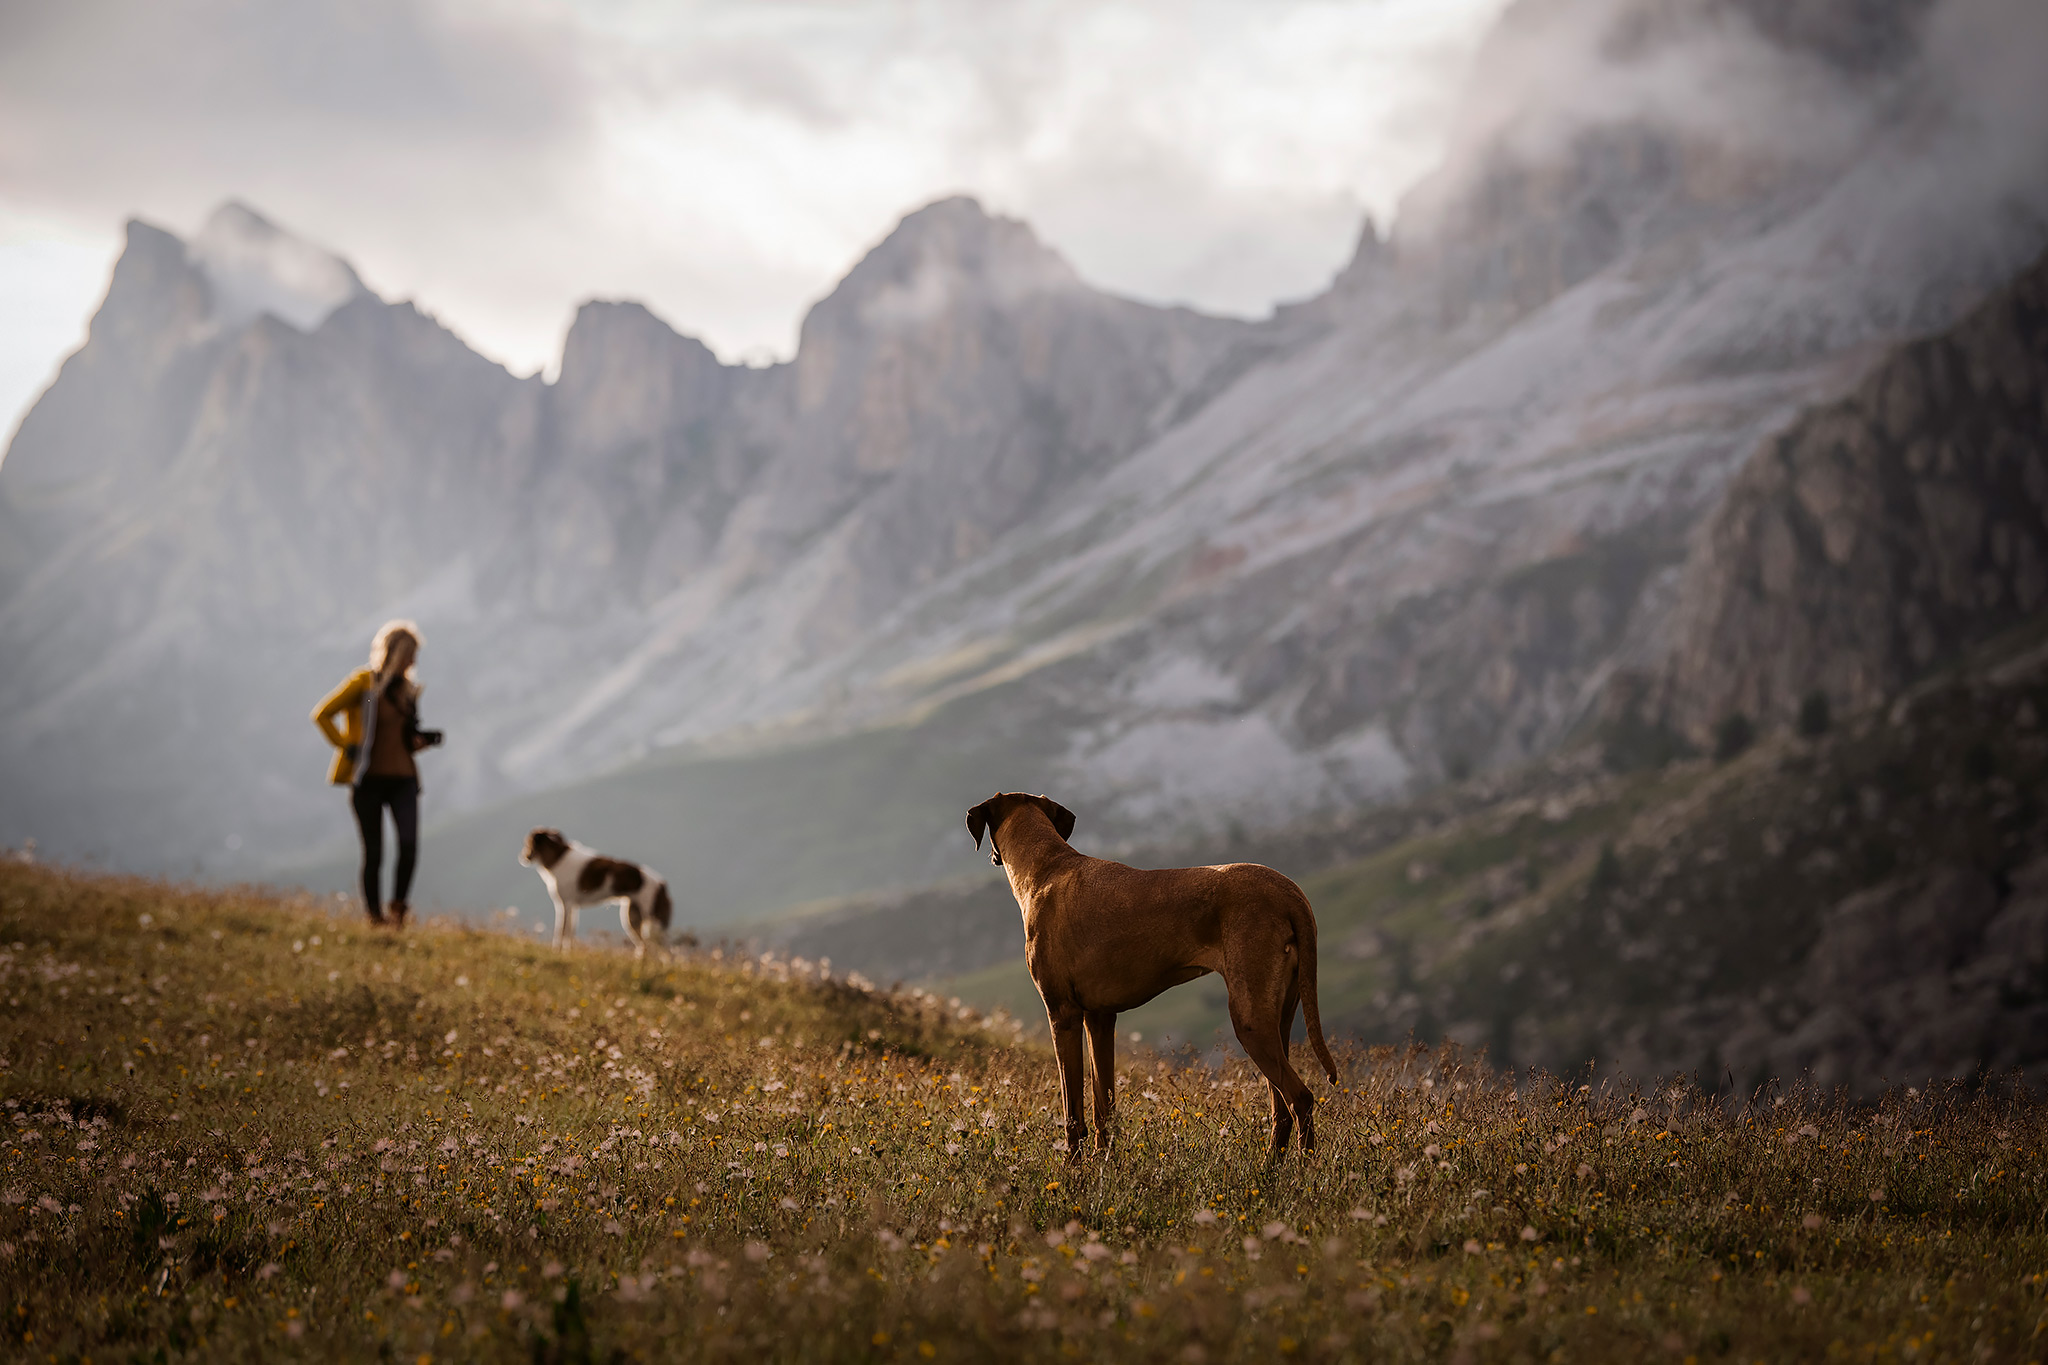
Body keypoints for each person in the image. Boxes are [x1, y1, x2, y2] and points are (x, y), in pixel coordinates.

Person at [312, 620, 442, 927]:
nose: (414, 662)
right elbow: (322, 714)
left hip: (404, 779)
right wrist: (346, 745)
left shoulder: (408, 691)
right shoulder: (365, 685)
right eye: (410, 654)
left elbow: (402, 738)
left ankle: (398, 910)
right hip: (368, 780)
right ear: (396, 653)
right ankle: (374, 917)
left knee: (409, 845)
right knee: (375, 852)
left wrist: (420, 742)